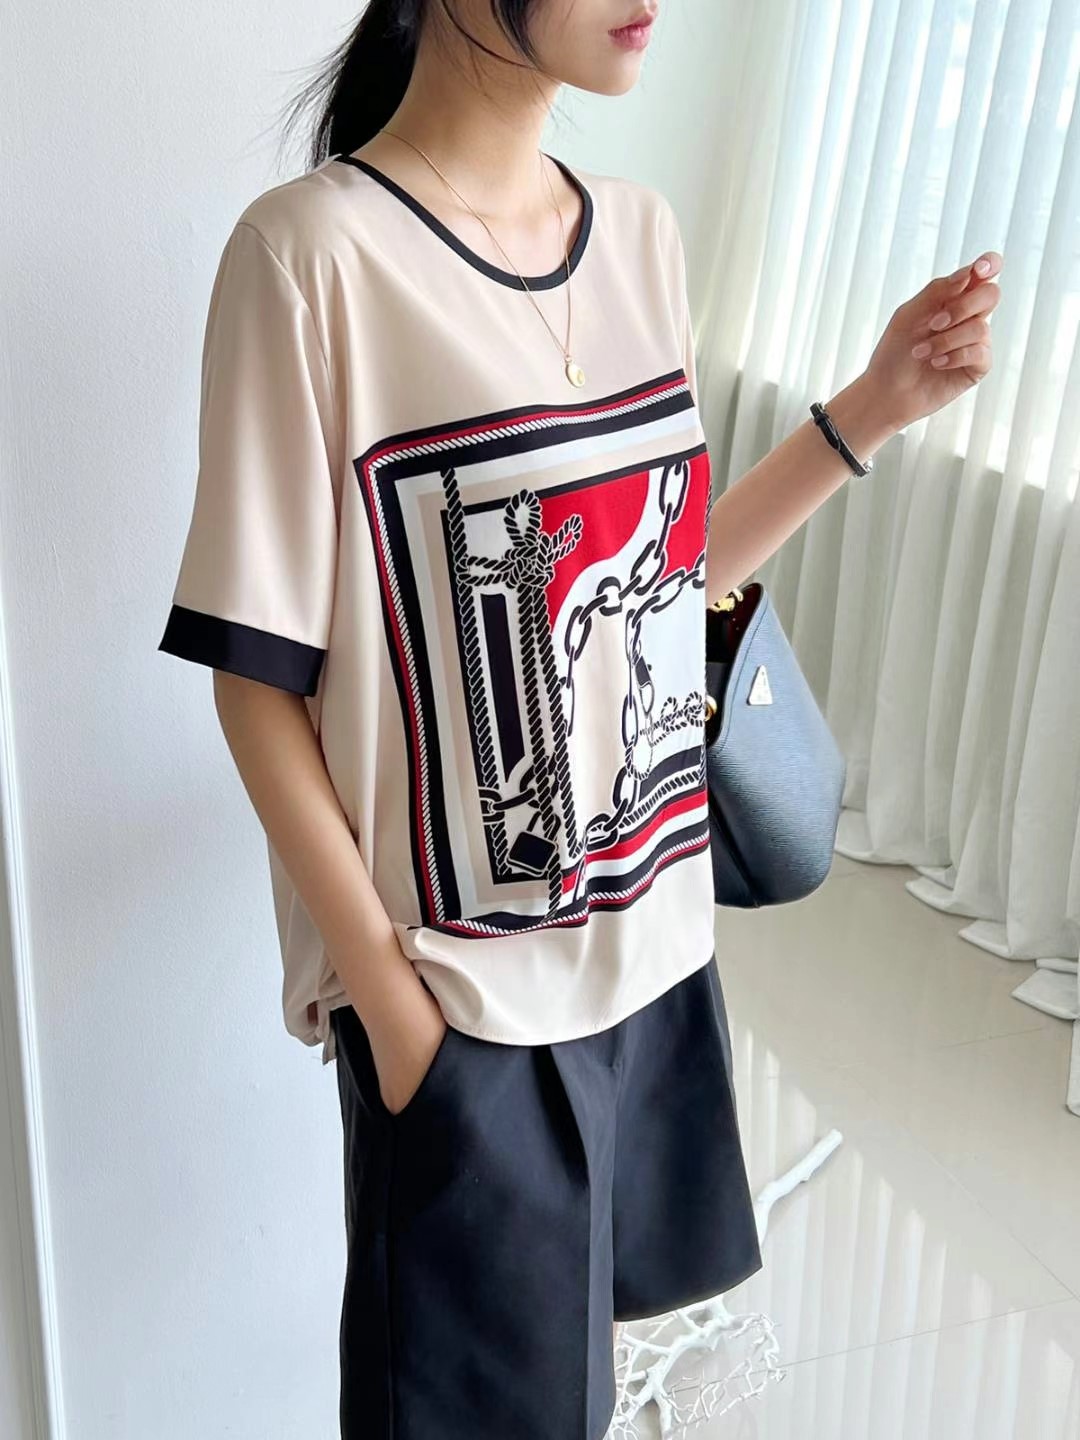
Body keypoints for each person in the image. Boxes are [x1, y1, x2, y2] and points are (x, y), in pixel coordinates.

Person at [157, 2, 1001, 1436]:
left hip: (655, 960)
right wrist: (398, 1015)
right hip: (467, 1005)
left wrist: (874, 405)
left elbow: (654, 590)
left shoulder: (638, 234)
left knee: (577, 1402)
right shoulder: (310, 259)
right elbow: (257, 681)